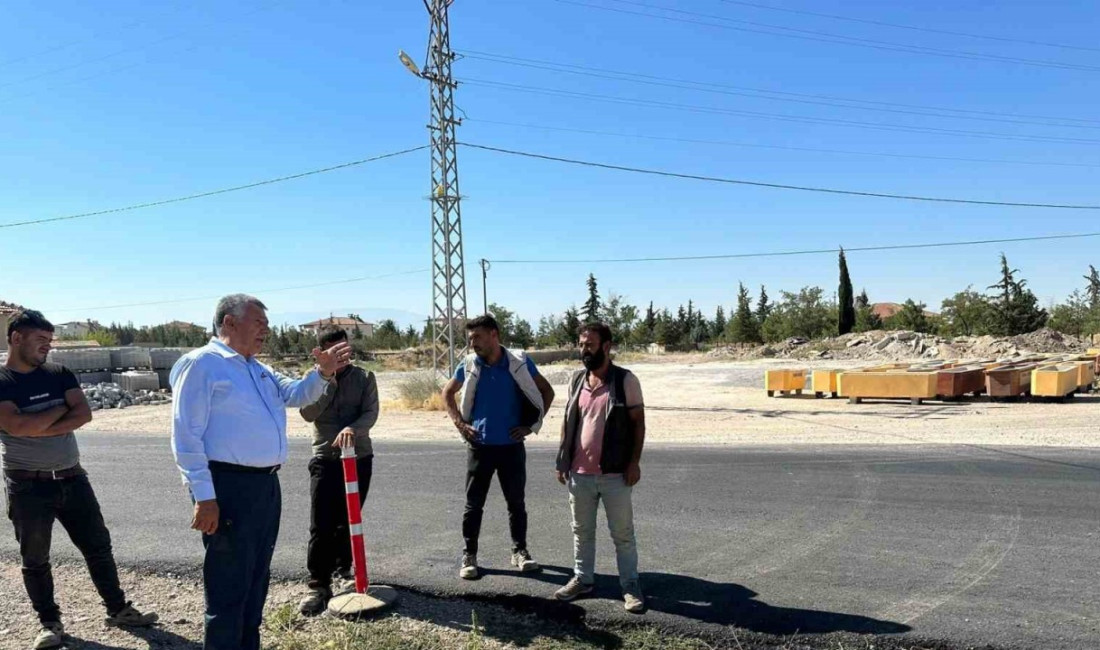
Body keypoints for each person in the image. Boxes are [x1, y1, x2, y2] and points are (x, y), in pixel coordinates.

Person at [170, 295, 351, 650]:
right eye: (258, 323)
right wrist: (204, 496)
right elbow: (185, 435)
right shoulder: (203, 365)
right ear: (229, 323)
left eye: (267, 325)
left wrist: (323, 372)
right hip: (228, 487)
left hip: (265, 486)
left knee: (256, 581)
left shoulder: (256, 368)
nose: (265, 331)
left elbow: (297, 395)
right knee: (229, 587)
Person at [0, 310, 158, 650]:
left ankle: (118, 609)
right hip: (27, 485)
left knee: (98, 547)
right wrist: (59, 413)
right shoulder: (2, 381)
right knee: (35, 558)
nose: (47, 348)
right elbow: (17, 427)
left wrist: (40, 423)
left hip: (73, 478)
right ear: (16, 339)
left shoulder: (59, 372)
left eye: (49, 341)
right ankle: (49, 623)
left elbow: (83, 414)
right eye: (40, 341)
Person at [441, 314, 555, 580]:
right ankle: (469, 555)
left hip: (512, 447)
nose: (473, 344)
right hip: (479, 447)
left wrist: (531, 425)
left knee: (516, 503)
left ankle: (520, 551)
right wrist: (460, 424)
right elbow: (447, 393)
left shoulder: (519, 362)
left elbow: (547, 392)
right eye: (470, 339)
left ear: (494, 335)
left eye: (477, 337)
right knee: (473, 505)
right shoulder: (469, 364)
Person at [553, 322, 647, 613]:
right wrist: (562, 459)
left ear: (606, 346)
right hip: (580, 474)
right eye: (581, 345)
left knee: (622, 534)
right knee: (581, 530)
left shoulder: (626, 380)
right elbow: (569, 421)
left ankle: (630, 587)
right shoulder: (577, 380)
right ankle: (583, 579)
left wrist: (633, 463)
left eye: (590, 345)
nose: (584, 350)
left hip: (615, 473)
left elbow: (638, 424)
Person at [297, 326, 379, 616]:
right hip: (326, 459)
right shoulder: (312, 381)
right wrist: (327, 379)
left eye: (344, 349)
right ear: (322, 354)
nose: (342, 355)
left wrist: (352, 430)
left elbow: (370, 413)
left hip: (359, 457)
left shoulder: (365, 377)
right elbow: (307, 414)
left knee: (350, 518)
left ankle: (344, 567)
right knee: (321, 522)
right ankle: (318, 583)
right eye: (335, 351)